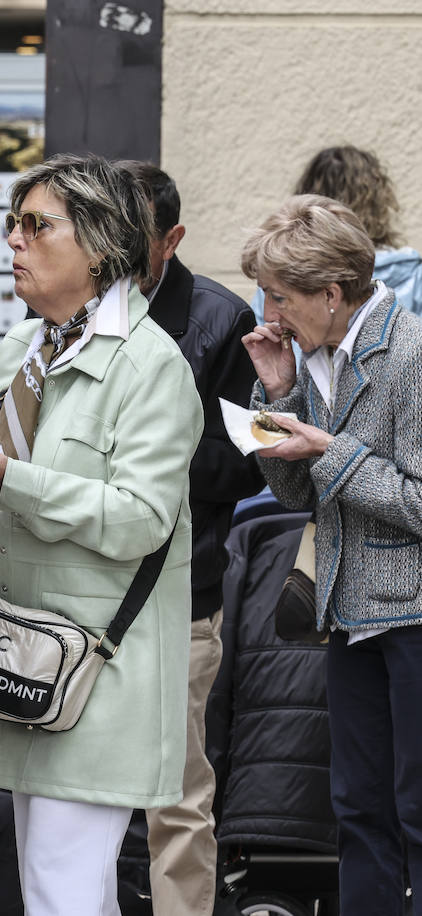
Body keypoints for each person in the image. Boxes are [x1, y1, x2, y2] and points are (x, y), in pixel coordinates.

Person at [0, 153, 202, 916]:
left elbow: (140, 517)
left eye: (37, 226)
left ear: (103, 245)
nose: (14, 241)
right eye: (12, 224)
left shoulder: (152, 366)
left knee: (61, 891)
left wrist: (10, 475)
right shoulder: (27, 345)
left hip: (97, 671)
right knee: (60, 892)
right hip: (17, 656)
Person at [242, 194, 422, 916]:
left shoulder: (409, 354)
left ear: (332, 293)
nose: (270, 312)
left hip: (412, 617)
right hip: (348, 616)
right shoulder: (313, 355)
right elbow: (295, 495)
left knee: (416, 812)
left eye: (280, 296)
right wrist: (276, 393)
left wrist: (332, 450)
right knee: (355, 809)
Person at [118, 160, 263, 916]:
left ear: (170, 239)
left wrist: (137, 453)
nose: (106, 246)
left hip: (182, 595)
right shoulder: (71, 304)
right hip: (79, 593)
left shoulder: (221, 319)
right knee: (77, 796)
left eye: (127, 233)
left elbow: (242, 469)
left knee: (175, 797)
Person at [252, 146, 422, 320]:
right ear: (378, 204)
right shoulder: (413, 276)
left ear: (308, 197)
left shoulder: (279, 276)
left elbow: (264, 327)